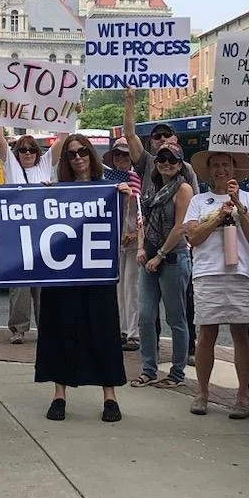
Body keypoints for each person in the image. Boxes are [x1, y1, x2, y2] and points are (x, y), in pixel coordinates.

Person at [37, 134, 127, 422]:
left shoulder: (109, 189)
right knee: (60, 329)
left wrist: (125, 198)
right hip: (62, 274)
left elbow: (125, 233)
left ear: (91, 155)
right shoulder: (58, 191)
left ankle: (110, 396)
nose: (78, 158)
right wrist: (43, 197)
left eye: (83, 152)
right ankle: (59, 395)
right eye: (71, 154)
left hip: (97, 273)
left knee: (103, 330)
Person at [184, 151, 249, 417]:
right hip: (208, 272)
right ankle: (202, 393)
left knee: (241, 333)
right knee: (206, 334)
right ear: (208, 171)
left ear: (234, 169)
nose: (221, 170)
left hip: (241, 272)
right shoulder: (198, 201)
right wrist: (219, 216)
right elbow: (193, 237)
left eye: (225, 165)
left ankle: (243, 397)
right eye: (215, 166)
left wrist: (238, 205)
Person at [132, 143, 194, 388]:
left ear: (180, 164)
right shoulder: (153, 189)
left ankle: (177, 374)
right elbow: (143, 221)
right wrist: (140, 248)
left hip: (173, 259)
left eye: (172, 159)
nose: (166, 163)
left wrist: (159, 255)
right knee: (146, 315)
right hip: (149, 257)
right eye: (161, 159)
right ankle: (149, 369)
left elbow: (181, 227)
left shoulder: (184, 189)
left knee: (176, 318)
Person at [0, 127, 56, 343]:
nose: (28, 153)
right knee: (19, 287)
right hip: (17, 235)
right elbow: (0, 139)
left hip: (42, 235)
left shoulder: (45, 165)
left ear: (38, 153)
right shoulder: (10, 166)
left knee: (43, 287)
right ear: (17, 153)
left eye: (32, 150)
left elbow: (63, 137)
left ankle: (47, 328)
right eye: (22, 150)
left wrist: (71, 112)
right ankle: (18, 330)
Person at [107, 139, 142, 351]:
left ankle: (133, 333)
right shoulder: (107, 179)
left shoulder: (137, 179)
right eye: (117, 155)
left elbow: (141, 209)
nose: (121, 159)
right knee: (117, 288)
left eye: (125, 155)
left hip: (133, 238)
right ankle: (119, 329)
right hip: (114, 240)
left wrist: (135, 233)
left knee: (132, 288)